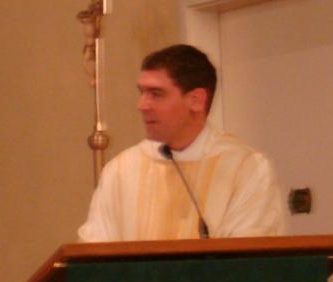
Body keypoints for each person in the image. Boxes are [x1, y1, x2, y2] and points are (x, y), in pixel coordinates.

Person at [78, 44, 287, 241]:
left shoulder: (246, 169)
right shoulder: (121, 170)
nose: (142, 105)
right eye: (142, 92)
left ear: (196, 100)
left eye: (156, 94)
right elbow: (95, 250)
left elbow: (249, 254)